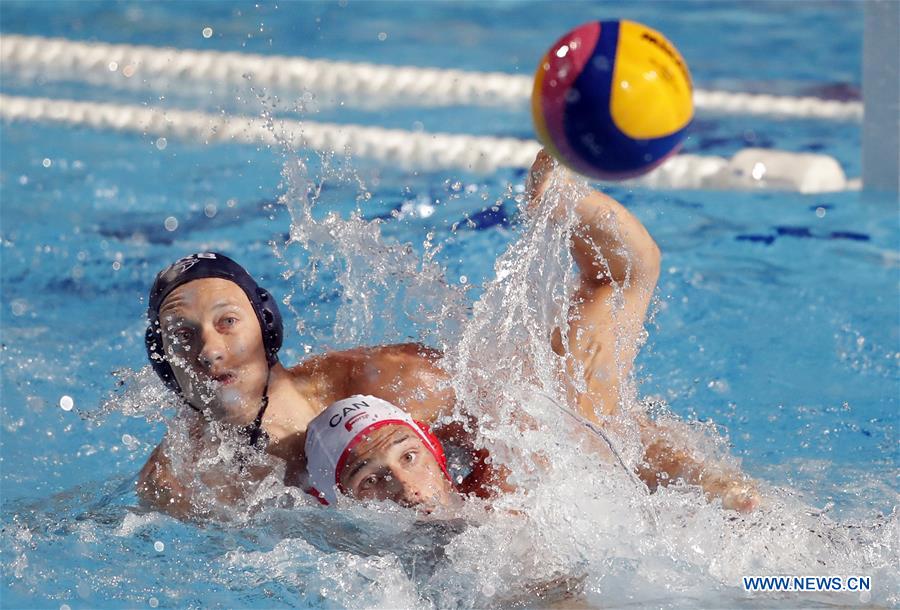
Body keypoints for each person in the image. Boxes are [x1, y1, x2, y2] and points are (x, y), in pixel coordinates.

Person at [137, 150, 759, 518]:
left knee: (617, 291)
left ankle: (559, 194)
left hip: (543, 471)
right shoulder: (179, 478)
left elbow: (548, 426)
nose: (212, 350)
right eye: (183, 335)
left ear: (265, 327)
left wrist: (702, 481)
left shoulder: (391, 383)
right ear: (162, 358)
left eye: (227, 322)